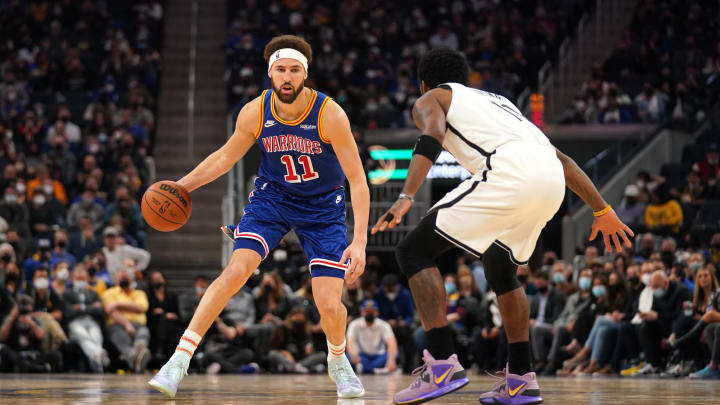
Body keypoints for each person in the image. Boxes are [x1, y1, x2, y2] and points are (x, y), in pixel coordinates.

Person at [371, 48, 634, 404]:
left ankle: (441, 365)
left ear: (422, 84)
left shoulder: (432, 97)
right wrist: (602, 209)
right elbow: (563, 159)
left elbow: (431, 135)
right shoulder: (502, 105)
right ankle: (521, 378)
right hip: (550, 182)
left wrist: (405, 196)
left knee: (414, 250)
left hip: (509, 172)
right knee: (501, 268)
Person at [150, 35, 369, 399]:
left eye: (295, 70)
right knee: (235, 270)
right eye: (281, 69)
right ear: (270, 73)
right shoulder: (255, 111)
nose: (287, 76)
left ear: (305, 75)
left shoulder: (330, 113)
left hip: (323, 207)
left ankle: (337, 359)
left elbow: (359, 182)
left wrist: (359, 242)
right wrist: (182, 187)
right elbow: (224, 158)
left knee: (329, 303)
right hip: (273, 198)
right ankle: (179, 359)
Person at [347, 299, 398, 374]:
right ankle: (378, 370)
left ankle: (364, 369)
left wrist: (391, 360)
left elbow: (392, 343)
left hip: (379, 356)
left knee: (395, 355)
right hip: (361, 356)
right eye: (367, 311)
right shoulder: (354, 324)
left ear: (376, 312)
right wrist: (354, 355)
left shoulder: (384, 325)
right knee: (347, 357)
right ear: (362, 312)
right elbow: (350, 341)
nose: (369, 314)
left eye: (372, 311)